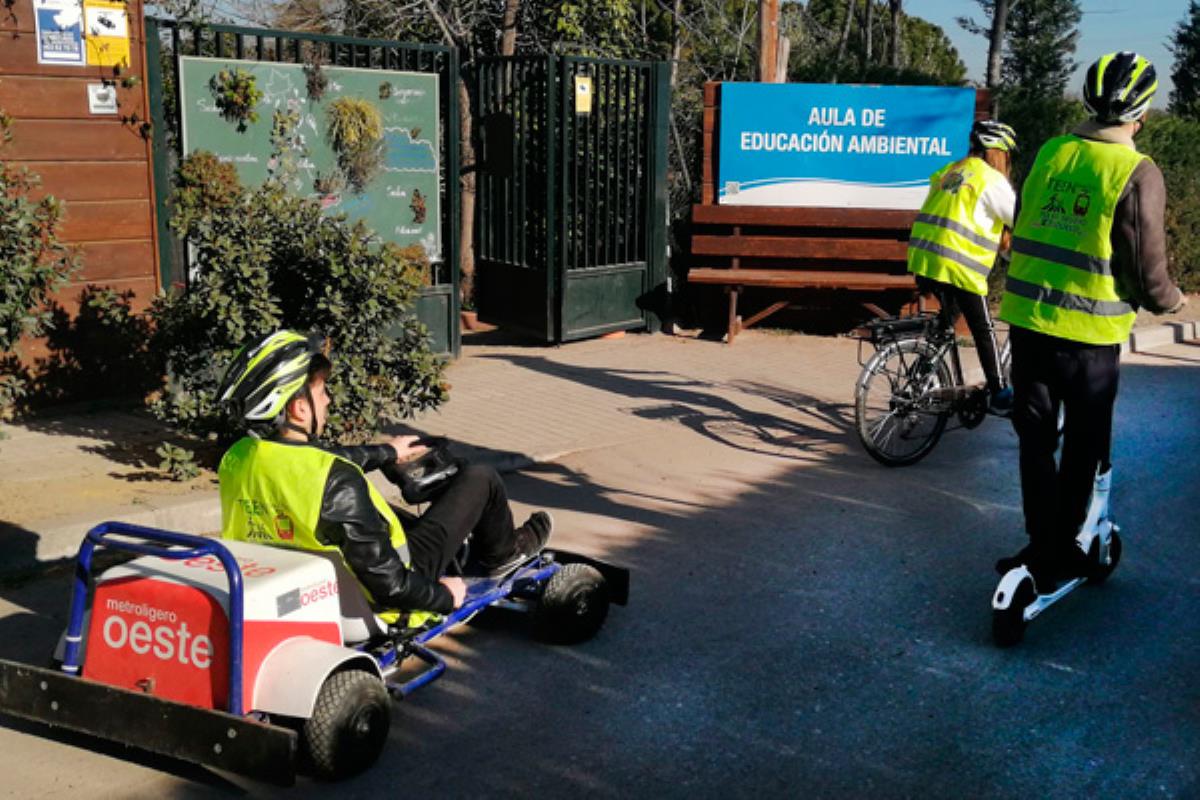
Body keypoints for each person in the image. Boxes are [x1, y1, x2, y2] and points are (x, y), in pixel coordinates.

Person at [995, 52, 1186, 590]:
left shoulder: (1054, 151)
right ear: (1142, 114)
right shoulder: (1136, 170)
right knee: (1083, 443)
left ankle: (1038, 543)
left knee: (1035, 439)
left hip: (1029, 323)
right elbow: (1147, 270)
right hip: (1089, 338)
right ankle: (1065, 550)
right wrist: (1171, 303)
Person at [215, 330, 554, 623]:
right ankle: (504, 555)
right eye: (321, 392)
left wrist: (388, 452)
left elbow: (317, 461)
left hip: (298, 581)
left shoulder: (238, 457)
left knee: (399, 516)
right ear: (298, 408)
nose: (329, 399)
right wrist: (443, 595)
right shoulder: (336, 482)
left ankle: (470, 550)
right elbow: (390, 585)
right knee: (481, 478)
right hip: (392, 588)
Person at [907, 119, 1020, 416]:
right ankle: (999, 392)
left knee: (946, 323)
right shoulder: (991, 180)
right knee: (983, 328)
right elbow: (1020, 221)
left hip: (925, 260)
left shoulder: (950, 171)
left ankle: (917, 382)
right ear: (999, 152)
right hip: (959, 267)